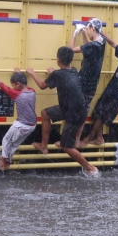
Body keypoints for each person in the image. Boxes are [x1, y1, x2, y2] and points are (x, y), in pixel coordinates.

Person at [26, 46, 100, 177]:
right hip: (72, 108)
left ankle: (91, 168)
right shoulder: (73, 71)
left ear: (58, 59)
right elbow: (62, 77)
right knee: (45, 113)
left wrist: (32, 73)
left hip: (73, 113)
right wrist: (53, 73)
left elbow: (43, 86)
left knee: (66, 147)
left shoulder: (58, 74)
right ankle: (44, 146)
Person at [0, 67, 37, 171]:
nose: (12, 87)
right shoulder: (32, 91)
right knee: (14, 144)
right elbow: (22, 84)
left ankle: (3, 163)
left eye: (13, 85)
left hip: (21, 125)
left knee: (6, 140)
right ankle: (7, 162)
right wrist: (18, 73)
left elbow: (1, 85)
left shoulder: (17, 94)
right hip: (32, 126)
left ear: (18, 84)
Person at [68, 18, 105, 147]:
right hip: (92, 84)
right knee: (83, 111)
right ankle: (77, 140)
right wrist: (84, 32)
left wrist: (75, 33)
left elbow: (70, 50)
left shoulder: (93, 46)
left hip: (84, 83)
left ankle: (74, 141)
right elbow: (87, 49)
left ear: (93, 29)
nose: (88, 32)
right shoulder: (101, 42)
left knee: (78, 111)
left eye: (88, 29)